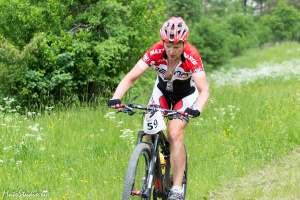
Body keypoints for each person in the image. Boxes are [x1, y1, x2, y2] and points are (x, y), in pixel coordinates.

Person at [108, 16, 209, 200]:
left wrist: (197, 109)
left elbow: (204, 90)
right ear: (163, 42)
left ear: (184, 43)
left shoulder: (192, 56)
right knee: (149, 128)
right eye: (168, 46)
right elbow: (132, 76)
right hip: (161, 92)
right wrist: (116, 97)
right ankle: (152, 168)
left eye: (176, 46)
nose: (171, 50)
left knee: (174, 132)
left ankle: (177, 188)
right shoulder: (155, 51)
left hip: (185, 96)